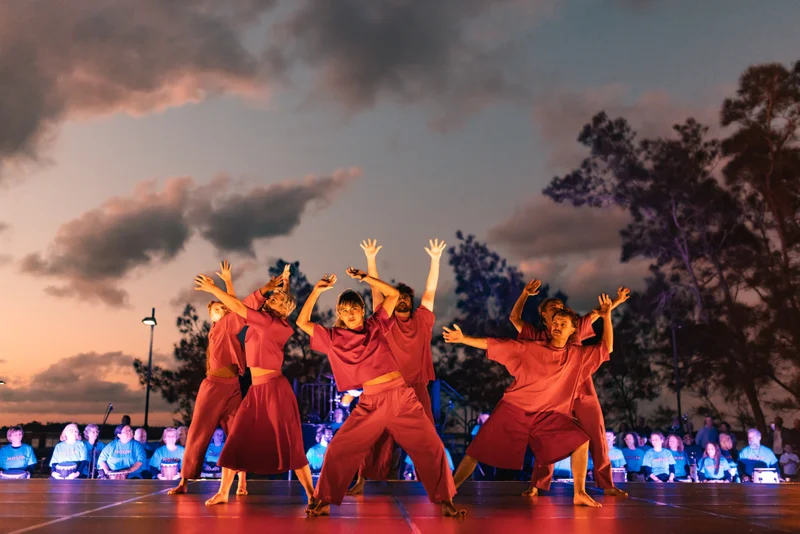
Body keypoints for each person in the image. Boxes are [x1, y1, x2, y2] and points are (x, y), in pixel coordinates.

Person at [298, 269, 462, 517]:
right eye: (345, 311)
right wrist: (316, 292)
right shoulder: (333, 337)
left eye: (355, 309)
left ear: (362, 310)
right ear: (339, 314)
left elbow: (394, 294)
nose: (351, 314)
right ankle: (323, 501)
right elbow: (302, 323)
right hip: (370, 402)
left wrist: (367, 278)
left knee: (432, 447)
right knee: (337, 450)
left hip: (400, 396)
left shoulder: (376, 323)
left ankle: (446, 500)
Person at [448, 294, 616, 509]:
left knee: (581, 441)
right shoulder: (531, 347)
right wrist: (463, 339)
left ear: (573, 330)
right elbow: (496, 343)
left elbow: (606, 347)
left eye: (563, 324)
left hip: (545, 415)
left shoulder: (577, 354)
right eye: (555, 323)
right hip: (514, 409)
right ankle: (450, 488)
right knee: (476, 451)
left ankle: (580, 493)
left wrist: (608, 315)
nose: (557, 326)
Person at [194, 267, 315, 507]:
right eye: (272, 296)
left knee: (290, 443)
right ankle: (223, 492)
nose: (271, 298)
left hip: (274, 389)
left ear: (283, 309)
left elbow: (239, 308)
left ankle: (312, 494)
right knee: (236, 438)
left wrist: (214, 289)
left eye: (276, 299)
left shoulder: (271, 323)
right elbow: (280, 302)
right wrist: (286, 283)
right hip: (256, 389)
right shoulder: (273, 319)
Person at [510, 281, 630, 498]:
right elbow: (514, 319)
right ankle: (537, 483)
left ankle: (607, 484)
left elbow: (599, 313)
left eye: (559, 305)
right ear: (544, 316)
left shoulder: (573, 330)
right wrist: (524, 294)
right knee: (547, 439)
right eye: (552, 307)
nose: (558, 307)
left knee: (598, 436)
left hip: (582, 391)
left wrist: (617, 302)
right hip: (554, 396)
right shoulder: (536, 336)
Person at [349, 238, 447, 495]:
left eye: (406, 297)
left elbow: (430, 291)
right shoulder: (384, 321)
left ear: (411, 301)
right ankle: (360, 481)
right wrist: (370, 259)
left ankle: (435, 482)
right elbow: (375, 292)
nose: (401, 300)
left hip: (415, 387)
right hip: (387, 387)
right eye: (398, 297)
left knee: (427, 436)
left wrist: (435, 260)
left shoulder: (423, 319)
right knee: (373, 437)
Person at [169, 261, 246, 495]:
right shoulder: (219, 329)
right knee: (198, 431)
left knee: (237, 433)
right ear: (211, 317)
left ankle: (242, 481)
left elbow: (235, 307)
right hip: (213, 387)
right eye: (217, 309)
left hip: (233, 386)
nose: (222, 310)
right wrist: (216, 287)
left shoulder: (230, 327)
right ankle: (184, 480)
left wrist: (228, 281)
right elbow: (234, 309)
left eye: (224, 309)